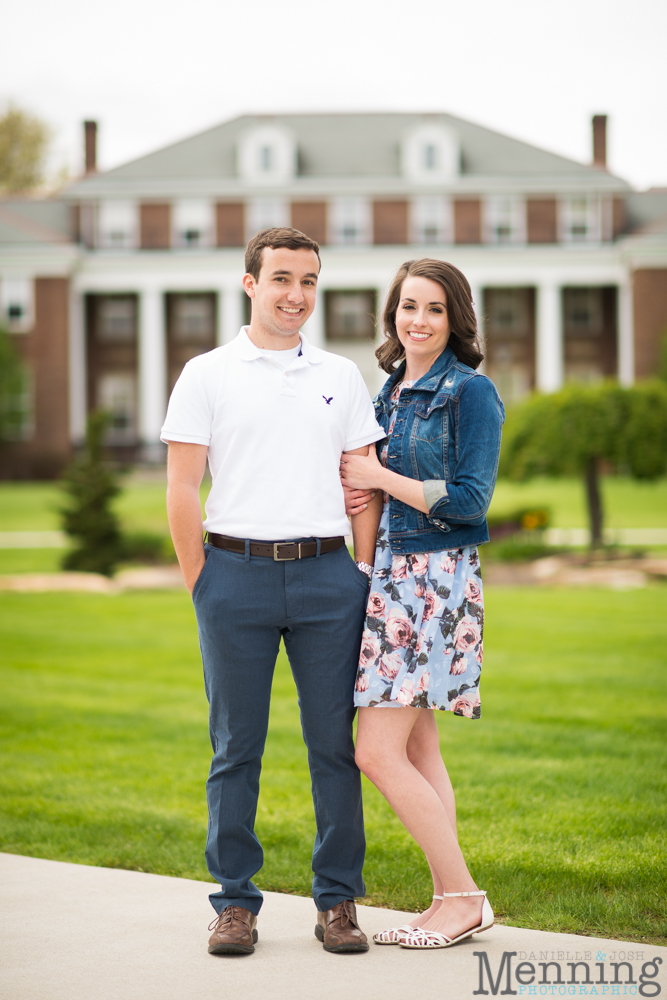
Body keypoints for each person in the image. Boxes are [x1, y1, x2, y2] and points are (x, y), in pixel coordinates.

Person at [161, 227, 384, 955]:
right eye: (282, 278)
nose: (296, 295)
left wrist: (360, 571)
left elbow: (361, 480)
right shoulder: (207, 373)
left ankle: (338, 902)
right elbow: (182, 486)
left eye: (309, 281)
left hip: (328, 580)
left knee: (334, 749)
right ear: (250, 283)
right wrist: (203, 582)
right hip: (233, 576)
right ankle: (234, 904)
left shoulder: (341, 375)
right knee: (235, 749)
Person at [339, 258, 505, 950]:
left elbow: (469, 498)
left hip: (434, 581)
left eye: (434, 309)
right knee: (416, 744)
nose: (418, 320)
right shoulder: (388, 392)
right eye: (408, 306)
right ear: (392, 313)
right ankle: (449, 896)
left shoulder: (471, 392)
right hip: (390, 577)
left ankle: (463, 896)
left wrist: (379, 475)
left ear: (454, 318)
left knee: (375, 753)